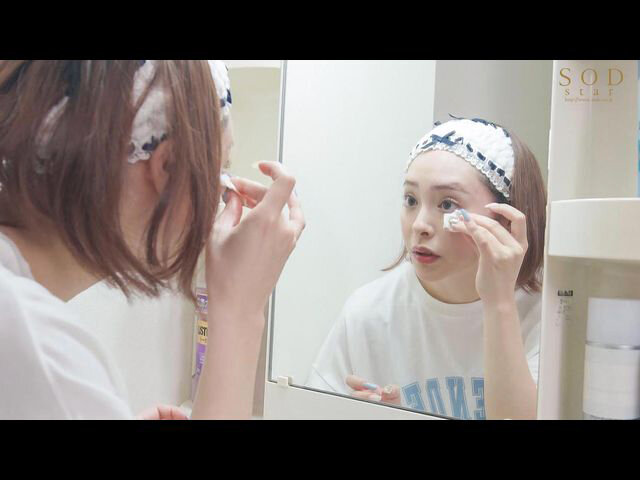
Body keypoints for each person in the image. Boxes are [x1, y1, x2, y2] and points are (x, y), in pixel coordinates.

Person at [0, 60, 304, 419]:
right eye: (220, 170)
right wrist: (240, 310)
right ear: (168, 167)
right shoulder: (42, 360)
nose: (219, 199)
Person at [307, 116, 546, 420]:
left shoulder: (547, 317)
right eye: (411, 200)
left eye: (447, 204)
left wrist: (499, 302)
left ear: (505, 218)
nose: (419, 224)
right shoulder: (368, 313)